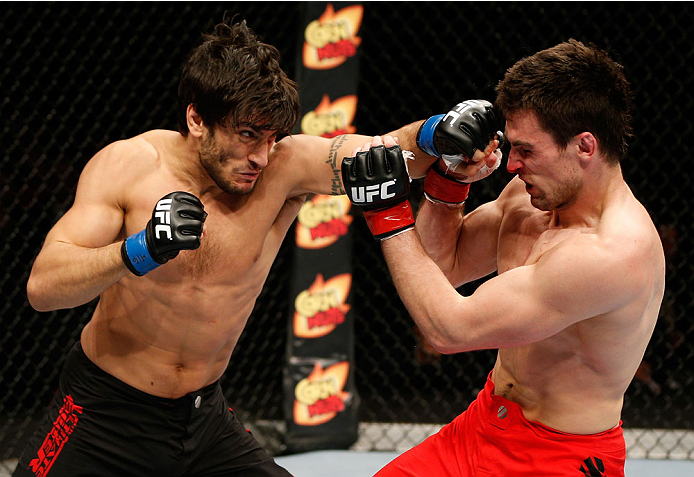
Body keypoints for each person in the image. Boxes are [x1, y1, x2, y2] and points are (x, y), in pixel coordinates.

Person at [16, 20, 441, 477]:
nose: (260, 155)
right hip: (106, 413)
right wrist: (140, 250)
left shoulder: (284, 166)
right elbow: (44, 287)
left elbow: (386, 154)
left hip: (204, 418)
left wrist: (439, 133)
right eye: (246, 135)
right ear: (197, 119)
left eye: (270, 136)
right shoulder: (129, 167)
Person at [342, 39, 665, 476]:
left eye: (527, 150)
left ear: (585, 146)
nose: (510, 165)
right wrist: (449, 179)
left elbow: (449, 331)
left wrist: (388, 215)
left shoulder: (610, 253)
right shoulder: (529, 197)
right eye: (511, 146)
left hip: (559, 458)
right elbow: (444, 267)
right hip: (481, 425)